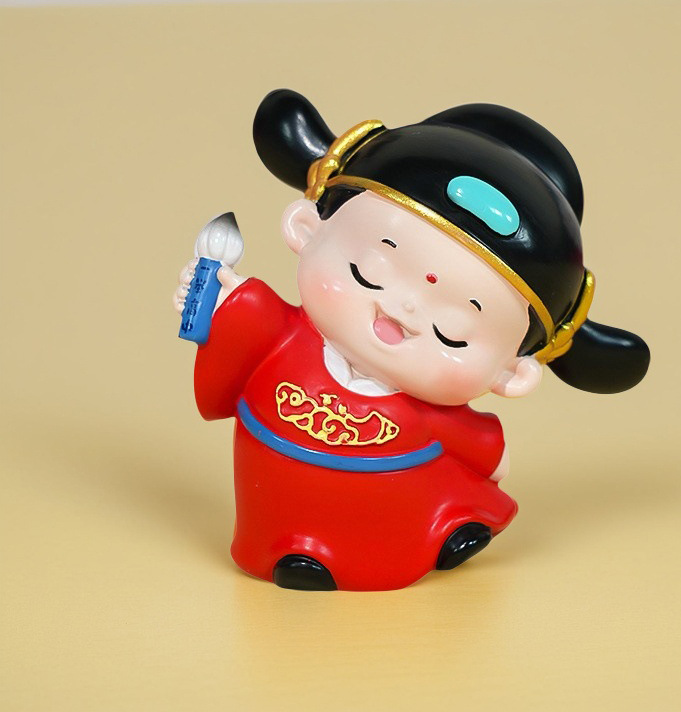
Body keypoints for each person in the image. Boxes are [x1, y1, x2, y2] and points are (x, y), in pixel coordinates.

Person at [174, 90, 650, 591]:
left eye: (452, 333)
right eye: (366, 273)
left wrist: (490, 461)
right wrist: (216, 299)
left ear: (512, 373)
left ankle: (437, 531)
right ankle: (286, 547)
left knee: (413, 518)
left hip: (393, 507)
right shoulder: (280, 335)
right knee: (282, 532)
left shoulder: (430, 412)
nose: (403, 312)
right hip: (276, 482)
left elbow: (482, 451)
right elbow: (239, 325)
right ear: (307, 229)